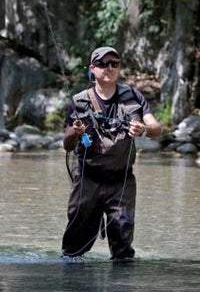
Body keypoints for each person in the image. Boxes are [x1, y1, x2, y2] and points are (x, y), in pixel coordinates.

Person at [61, 46, 162, 260]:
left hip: (121, 180)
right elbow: (67, 145)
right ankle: (73, 290)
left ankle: (120, 289)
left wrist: (143, 129)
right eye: (103, 64)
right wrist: (76, 131)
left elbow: (156, 128)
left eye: (114, 64)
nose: (109, 68)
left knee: (123, 247)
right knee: (73, 249)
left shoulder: (134, 96)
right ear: (92, 69)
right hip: (87, 179)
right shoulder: (78, 101)